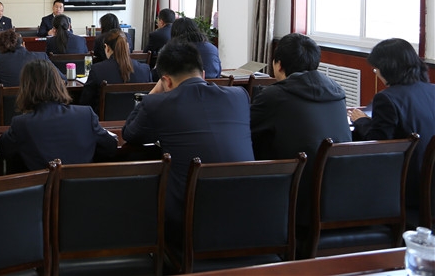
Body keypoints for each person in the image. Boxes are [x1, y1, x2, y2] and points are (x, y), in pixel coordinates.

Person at [122, 41, 253, 246]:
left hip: (189, 221)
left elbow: (130, 133)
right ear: (203, 74)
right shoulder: (239, 96)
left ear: (166, 81)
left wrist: (154, 92)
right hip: (249, 214)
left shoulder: (158, 103)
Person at [250, 33, 352, 225]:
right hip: (339, 196)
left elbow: (245, 131)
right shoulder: (338, 91)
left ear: (278, 65)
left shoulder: (274, 96)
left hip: (292, 197)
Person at [350, 38, 435, 221]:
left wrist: (361, 121)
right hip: (431, 184)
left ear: (387, 68)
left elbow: (378, 143)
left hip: (407, 185)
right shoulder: (432, 90)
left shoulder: (387, 98)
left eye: (376, 69)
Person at [0, 59, 118, 171]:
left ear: (25, 89)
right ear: (58, 83)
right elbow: (111, 146)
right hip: (82, 185)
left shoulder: (21, 124)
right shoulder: (86, 115)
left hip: (41, 186)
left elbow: (3, 151)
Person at [0, 29, 54, 118]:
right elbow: (62, 79)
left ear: (2, 47)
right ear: (24, 44)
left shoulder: (0, 60)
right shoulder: (41, 56)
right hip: (40, 112)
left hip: (10, 114)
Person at [80, 30, 153, 111]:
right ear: (127, 46)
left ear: (107, 48)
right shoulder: (145, 70)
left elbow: (85, 103)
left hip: (104, 119)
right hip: (136, 118)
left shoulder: (97, 70)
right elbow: (150, 100)